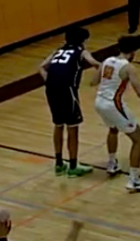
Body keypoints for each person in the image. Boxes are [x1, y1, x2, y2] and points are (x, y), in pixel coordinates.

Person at [93, 35, 140, 192]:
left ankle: (111, 164)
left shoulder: (106, 61)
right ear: (133, 51)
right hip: (113, 104)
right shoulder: (129, 67)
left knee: (113, 129)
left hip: (99, 102)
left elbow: (93, 82)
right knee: (138, 140)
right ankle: (134, 180)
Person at [39, 27, 100, 177]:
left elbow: (41, 67)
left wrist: (50, 81)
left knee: (58, 124)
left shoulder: (58, 51)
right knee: (73, 127)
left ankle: (59, 164)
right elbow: (95, 63)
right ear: (84, 40)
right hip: (67, 90)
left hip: (51, 89)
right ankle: (73, 166)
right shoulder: (81, 51)